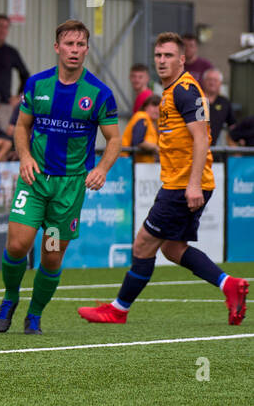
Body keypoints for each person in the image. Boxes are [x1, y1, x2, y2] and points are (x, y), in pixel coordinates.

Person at [79, 32, 249, 327]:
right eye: (158, 55)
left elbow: (201, 139)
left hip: (184, 185)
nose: (161, 61)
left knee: (143, 244)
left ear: (182, 59)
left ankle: (118, 310)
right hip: (182, 183)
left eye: (168, 55)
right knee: (172, 248)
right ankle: (229, 285)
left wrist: (193, 184)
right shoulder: (171, 91)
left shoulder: (185, 90)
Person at [0, 19, 121, 334]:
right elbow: (21, 126)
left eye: (80, 45)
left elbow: (115, 139)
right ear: (57, 47)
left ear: (86, 49)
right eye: (69, 44)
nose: (74, 50)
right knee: (17, 246)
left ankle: (34, 314)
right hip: (35, 181)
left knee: (51, 256)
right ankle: (10, 297)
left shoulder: (99, 93)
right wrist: (24, 157)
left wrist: (102, 168)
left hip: (68, 190)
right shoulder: (37, 85)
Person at [200, 68, 236, 145]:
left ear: (220, 83)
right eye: (209, 79)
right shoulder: (194, 99)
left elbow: (232, 125)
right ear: (203, 82)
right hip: (193, 147)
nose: (212, 83)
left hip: (214, 150)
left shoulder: (224, 102)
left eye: (215, 80)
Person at [123, 95, 160, 162]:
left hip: (139, 165)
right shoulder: (142, 118)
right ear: (145, 107)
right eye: (154, 105)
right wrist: (156, 148)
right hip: (130, 163)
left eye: (159, 107)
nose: (157, 109)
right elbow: (138, 141)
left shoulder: (151, 122)